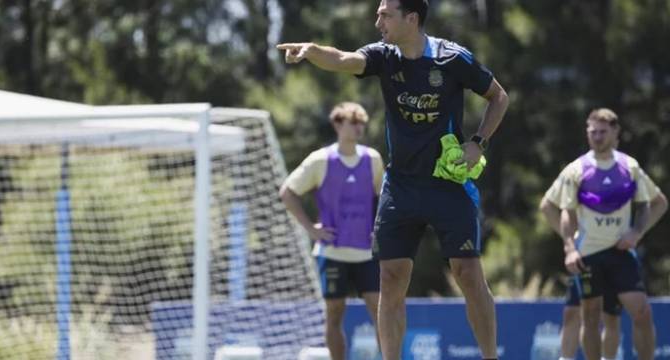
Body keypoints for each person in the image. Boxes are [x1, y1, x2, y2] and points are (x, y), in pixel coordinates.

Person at [277, 1, 509, 359]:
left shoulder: (452, 58)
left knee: (467, 274)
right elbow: (343, 59)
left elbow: (498, 97)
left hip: (447, 185)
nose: (378, 21)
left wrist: (478, 143)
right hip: (400, 187)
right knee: (391, 278)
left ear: (411, 19)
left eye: (386, 14)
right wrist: (312, 51)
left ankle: (491, 356)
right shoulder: (384, 56)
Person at [554, 108, 667, 360]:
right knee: (590, 317)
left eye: (603, 132)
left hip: (620, 253)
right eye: (592, 132)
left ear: (616, 133)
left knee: (641, 312)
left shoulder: (630, 166)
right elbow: (566, 212)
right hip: (588, 254)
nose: (597, 137)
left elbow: (652, 203)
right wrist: (570, 248)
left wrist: (637, 232)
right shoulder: (577, 169)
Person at [280, 102, 385, 360]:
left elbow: (384, 199)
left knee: (380, 311)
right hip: (332, 252)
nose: (359, 127)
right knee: (335, 313)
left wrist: (381, 230)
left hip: (366, 253)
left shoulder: (372, 159)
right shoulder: (320, 160)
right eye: (353, 121)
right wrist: (311, 229)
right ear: (337, 124)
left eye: (362, 122)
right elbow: (287, 193)